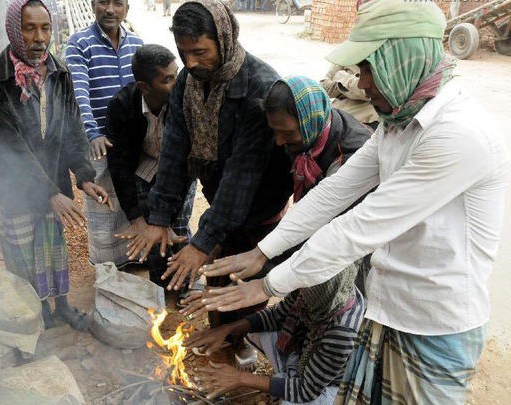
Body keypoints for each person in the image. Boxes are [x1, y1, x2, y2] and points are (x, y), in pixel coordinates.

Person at [192, 0, 509, 403]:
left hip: (433, 324)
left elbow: (359, 226)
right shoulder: (398, 124)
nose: (361, 84)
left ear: (400, 59)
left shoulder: (458, 133)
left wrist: (267, 283)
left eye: (366, 68)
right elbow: (334, 192)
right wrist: (261, 252)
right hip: (386, 307)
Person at [125, 0, 293, 360]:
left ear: (225, 38)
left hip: (260, 210)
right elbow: (174, 150)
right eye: (184, 53)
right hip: (225, 205)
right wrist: (158, 218)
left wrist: (203, 243)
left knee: (243, 286)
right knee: (216, 284)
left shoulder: (258, 88)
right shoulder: (188, 81)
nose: (190, 63)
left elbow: (241, 176)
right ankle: (224, 344)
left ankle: (245, 353)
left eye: (200, 52)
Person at [181, 74, 372, 313]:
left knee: (331, 312)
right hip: (310, 230)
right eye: (275, 132)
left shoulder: (352, 156)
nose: (279, 141)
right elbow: (263, 189)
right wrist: (224, 237)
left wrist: (265, 275)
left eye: (287, 133)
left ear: (309, 121)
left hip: (347, 251)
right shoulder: (302, 136)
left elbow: (327, 234)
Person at [0, 0, 113, 331]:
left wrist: (83, 177)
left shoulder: (59, 72)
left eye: (45, 28)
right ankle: (37, 314)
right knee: (24, 257)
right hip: (17, 190)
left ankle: (61, 306)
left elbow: (72, 130)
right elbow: (12, 146)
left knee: (53, 252)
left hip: (54, 184)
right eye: (29, 27)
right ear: (13, 30)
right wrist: (48, 193)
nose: (39, 38)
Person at [186, 263, 364, 404]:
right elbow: (275, 316)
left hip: (329, 384)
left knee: (293, 402)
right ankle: (286, 378)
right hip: (305, 352)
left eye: (303, 289)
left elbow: (306, 390)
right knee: (255, 330)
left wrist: (240, 378)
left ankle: (287, 382)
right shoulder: (316, 289)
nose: (298, 292)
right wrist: (226, 329)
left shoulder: (342, 333)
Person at [106, 44, 197, 287]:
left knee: (174, 229)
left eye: (176, 74)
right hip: (144, 165)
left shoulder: (187, 100)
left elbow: (188, 158)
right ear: (144, 87)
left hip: (181, 168)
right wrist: (136, 218)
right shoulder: (122, 105)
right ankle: (160, 285)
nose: (177, 83)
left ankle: (183, 284)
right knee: (150, 229)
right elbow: (119, 164)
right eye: (168, 79)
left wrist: (164, 218)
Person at [65, 0, 143, 267]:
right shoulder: (79, 44)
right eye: (103, 2)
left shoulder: (136, 44)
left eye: (118, 3)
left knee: (131, 200)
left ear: (126, 9)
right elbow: (79, 92)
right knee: (102, 207)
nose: (110, 9)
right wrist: (92, 132)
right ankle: (107, 268)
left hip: (131, 143)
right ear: (93, 5)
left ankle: (134, 258)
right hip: (98, 142)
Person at [320, 64, 379, 130]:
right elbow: (323, 87)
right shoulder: (343, 57)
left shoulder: (379, 60)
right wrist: (345, 87)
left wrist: (341, 77)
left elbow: (368, 91)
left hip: (362, 124)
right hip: (331, 116)